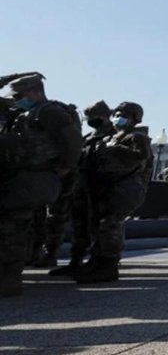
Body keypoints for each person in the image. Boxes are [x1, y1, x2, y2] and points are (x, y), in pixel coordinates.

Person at [0, 73, 82, 297]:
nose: (15, 99)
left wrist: (66, 165)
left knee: (12, 226)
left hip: (34, 178)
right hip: (27, 176)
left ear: (35, 91)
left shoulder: (49, 111)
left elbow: (73, 140)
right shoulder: (31, 113)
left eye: (19, 95)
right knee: (10, 225)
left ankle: (9, 281)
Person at [74, 102, 153, 284]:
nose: (119, 117)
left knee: (110, 226)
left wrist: (112, 151)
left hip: (122, 189)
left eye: (124, 115)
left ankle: (108, 266)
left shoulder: (137, 137)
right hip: (106, 188)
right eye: (117, 113)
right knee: (99, 226)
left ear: (135, 119)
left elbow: (138, 159)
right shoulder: (115, 136)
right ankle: (97, 261)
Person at [48, 101, 115, 278]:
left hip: (100, 188)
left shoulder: (114, 135)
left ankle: (97, 263)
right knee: (79, 225)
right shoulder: (89, 136)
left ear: (105, 116)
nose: (90, 121)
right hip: (81, 186)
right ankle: (75, 261)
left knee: (98, 226)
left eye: (94, 117)